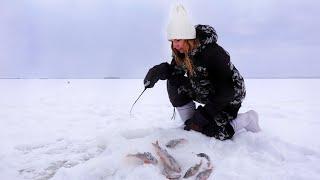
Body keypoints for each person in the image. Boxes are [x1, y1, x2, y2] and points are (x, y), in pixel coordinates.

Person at [143, 4, 261, 140]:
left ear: (188, 38)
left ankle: (248, 119)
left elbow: (226, 91)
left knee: (212, 132)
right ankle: (191, 122)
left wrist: (205, 114)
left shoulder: (213, 53)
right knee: (173, 80)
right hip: (205, 89)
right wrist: (160, 71)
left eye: (178, 40)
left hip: (229, 96)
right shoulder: (182, 51)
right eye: (172, 41)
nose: (175, 45)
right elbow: (175, 71)